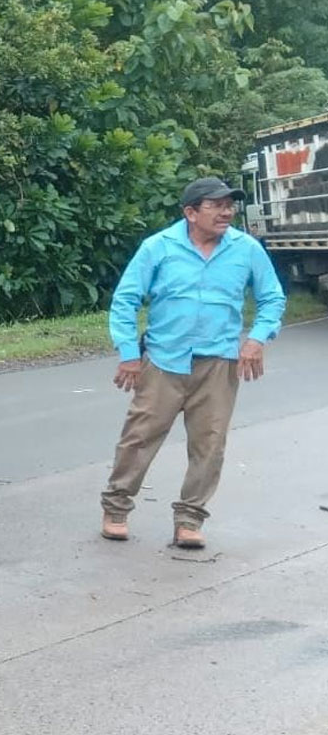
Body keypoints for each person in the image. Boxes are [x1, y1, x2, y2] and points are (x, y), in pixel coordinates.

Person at [102, 176, 286, 549]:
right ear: (190, 212)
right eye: (216, 205)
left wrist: (255, 338)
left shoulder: (246, 249)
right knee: (139, 438)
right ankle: (116, 509)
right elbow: (125, 301)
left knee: (210, 444)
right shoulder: (158, 248)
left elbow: (273, 299)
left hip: (219, 363)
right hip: (164, 362)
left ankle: (189, 519)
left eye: (229, 204)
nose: (226, 211)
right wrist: (129, 355)